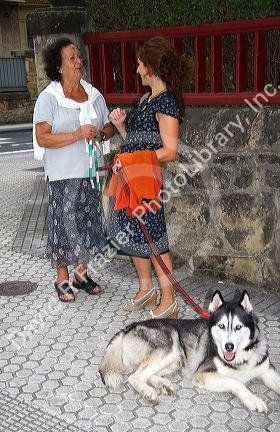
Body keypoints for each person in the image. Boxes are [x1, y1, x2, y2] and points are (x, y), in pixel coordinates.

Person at [108, 36, 190, 319]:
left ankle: (169, 300)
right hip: (130, 179)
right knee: (131, 233)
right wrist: (120, 127)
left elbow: (170, 150)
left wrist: (134, 161)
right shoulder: (145, 100)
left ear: (152, 67)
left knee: (155, 238)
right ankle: (147, 290)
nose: (137, 70)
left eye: (140, 64)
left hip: (147, 181)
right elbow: (134, 141)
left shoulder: (166, 102)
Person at [33, 38, 114, 302]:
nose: (79, 62)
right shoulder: (49, 98)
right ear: (59, 65)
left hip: (90, 173)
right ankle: (61, 279)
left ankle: (81, 274)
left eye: (79, 57)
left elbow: (109, 126)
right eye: (71, 58)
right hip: (62, 175)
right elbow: (43, 137)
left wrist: (101, 133)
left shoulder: (93, 95)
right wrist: (77, 134)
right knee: (64, 226)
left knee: (90, 223)